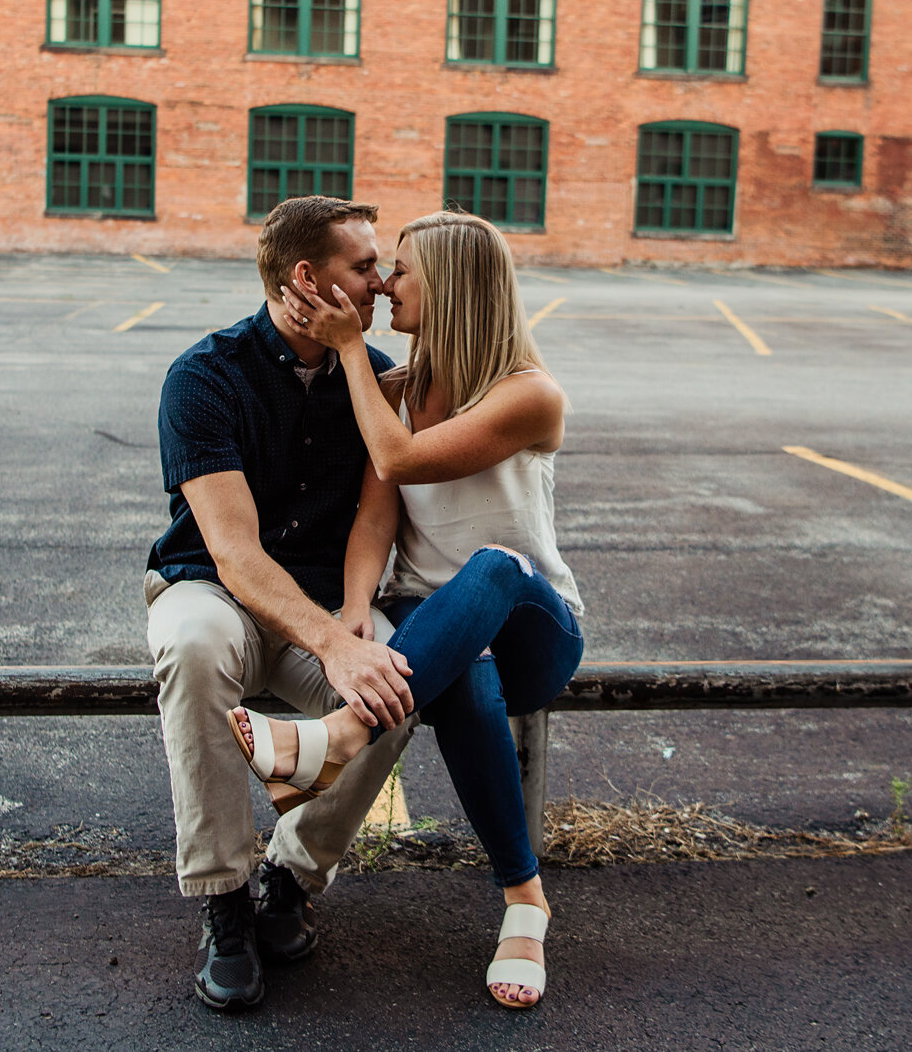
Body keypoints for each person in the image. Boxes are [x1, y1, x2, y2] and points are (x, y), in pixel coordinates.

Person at [231, 210, 585, 1010]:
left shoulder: (530, 394)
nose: (385, 285)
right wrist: (356, 606)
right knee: (460, 678)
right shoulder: (396, 390)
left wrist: (352, 348)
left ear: (453, 287)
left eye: (401, 270)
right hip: (439, 635)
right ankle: (525, 903)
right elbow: (374, 516)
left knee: (495, 566)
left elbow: (396, 455)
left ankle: (341, 734)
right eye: (383, 270)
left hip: (534, 623)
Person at [145, 196, 420, 1011]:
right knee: (192, 645)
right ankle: (224, 899)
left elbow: (380, 506)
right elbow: (233, 553)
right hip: (212, 589)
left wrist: (355, 622)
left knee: (396, 681)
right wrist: (333, 643)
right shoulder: (204, 375)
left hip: (325, 603)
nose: (380, 281)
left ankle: (288, 878)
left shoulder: (371, 378)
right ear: (309, 277)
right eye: (363, 266)